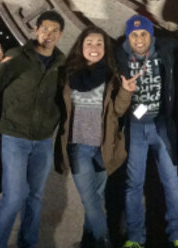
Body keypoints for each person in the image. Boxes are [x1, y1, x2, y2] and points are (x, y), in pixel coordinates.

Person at [0, 10, 66, 248]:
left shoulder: (61, 63)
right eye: (45, 28)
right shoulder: (16, 56)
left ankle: (28, 243)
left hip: (43, 141)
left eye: (54, 31)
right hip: (15, 138)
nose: (48, 34)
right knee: (13, 198)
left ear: (60, 35)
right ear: (35, 29)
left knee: (35, 198)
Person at [54, 26, 133, 248]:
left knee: (95, 199)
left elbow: (117, 111)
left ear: (105, 48)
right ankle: (104, 240)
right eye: (89, 43)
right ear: (81, 46)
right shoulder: (67, 74)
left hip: (103, 147)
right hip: (78, 146)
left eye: (99, 44)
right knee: (90, 199)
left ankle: (88, 241)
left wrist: (126, 91)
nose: (94, 48)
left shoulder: (111, 75)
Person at [115, 14, 178, 248]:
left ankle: (177, 236)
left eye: (143, 33)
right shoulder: (120, 55)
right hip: (136, 127)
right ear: (127, 37)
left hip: (161, 125)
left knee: (171, 183)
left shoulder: (165, 49)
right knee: (133, 184)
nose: (139, 39)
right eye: (134, 35)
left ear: (151, 35)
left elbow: (176, 43)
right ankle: (135, 238)